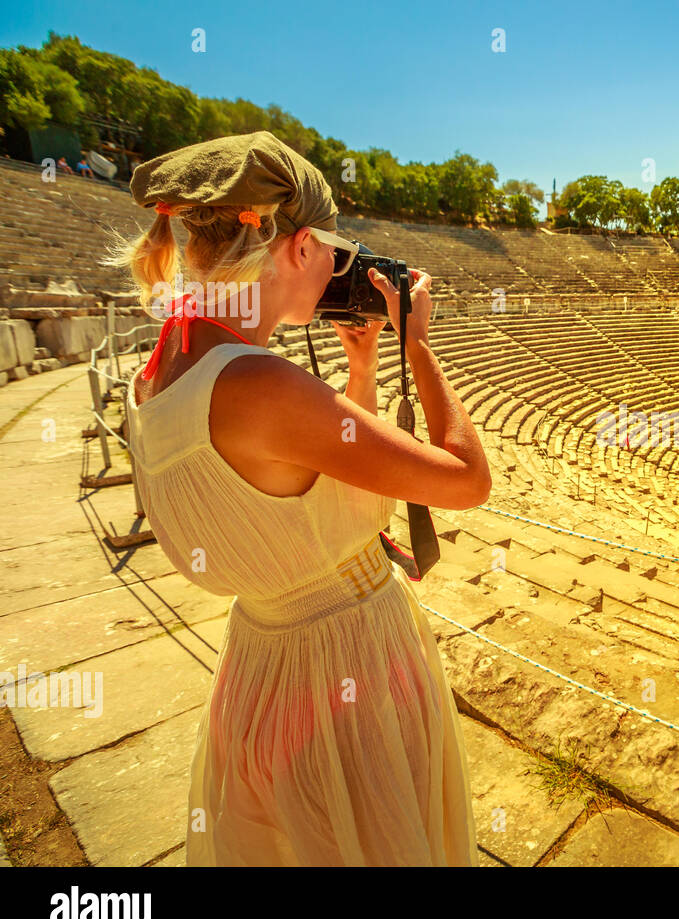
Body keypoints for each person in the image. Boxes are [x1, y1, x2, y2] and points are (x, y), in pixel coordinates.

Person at [111, 131, 489, 866]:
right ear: (298, 246)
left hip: (263, 665)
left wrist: (362, 364)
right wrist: (419, 345)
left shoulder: (162, 370)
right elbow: (466, 479)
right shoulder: (260, 385)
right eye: (333, 251)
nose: (337, 269)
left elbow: (301, 487)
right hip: (346, 669)